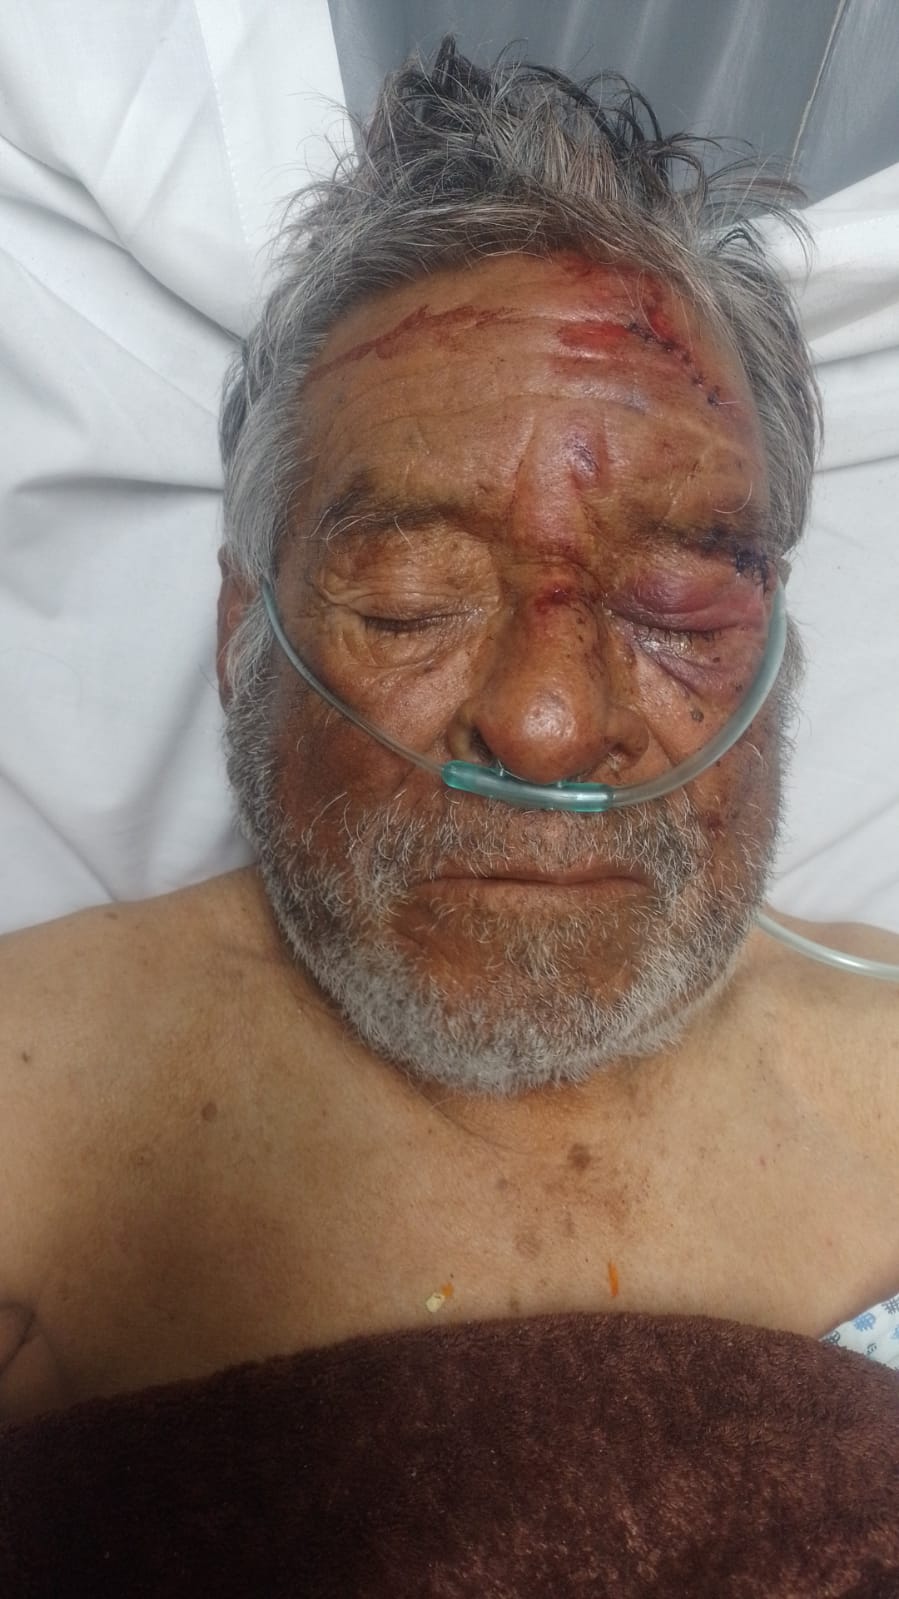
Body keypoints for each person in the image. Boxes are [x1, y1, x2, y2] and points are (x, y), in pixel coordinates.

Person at [0, 37, 897, 1426]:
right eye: (413, 602)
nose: (544, 723)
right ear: (242, 636)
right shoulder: (39, 1117)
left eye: (673, 606)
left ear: (777, 644)